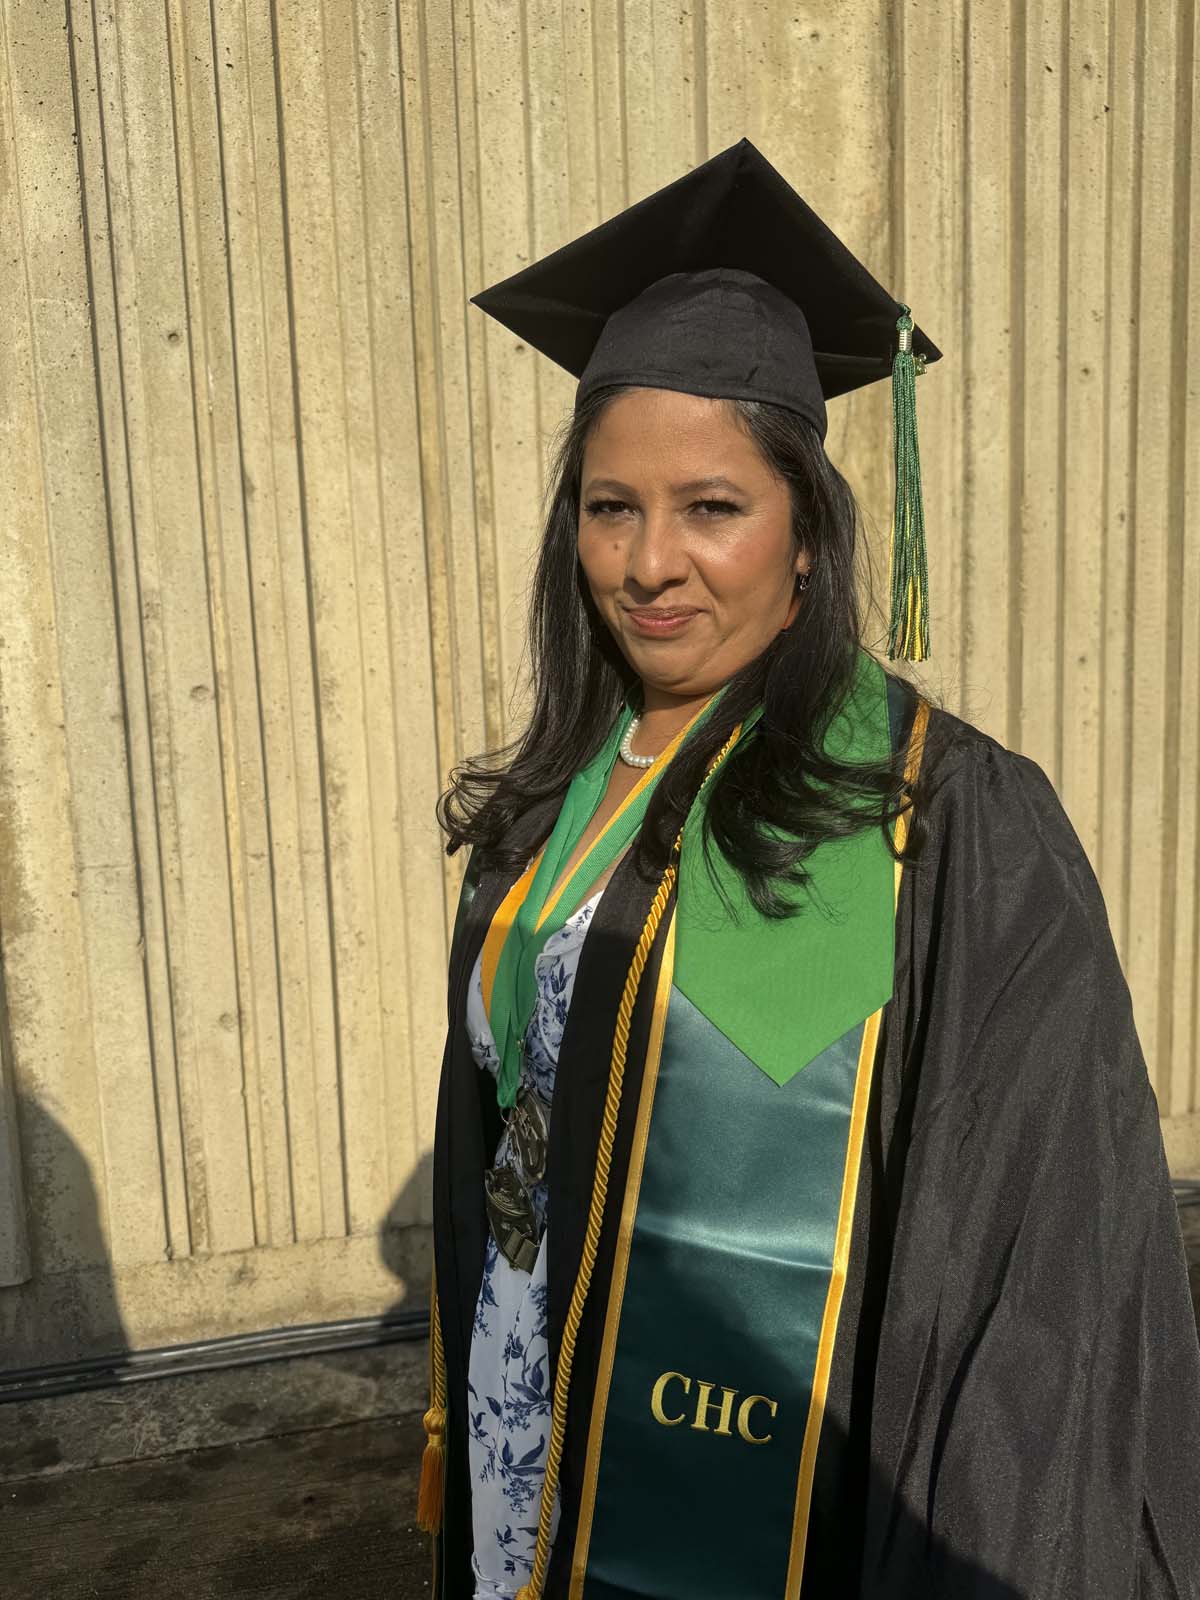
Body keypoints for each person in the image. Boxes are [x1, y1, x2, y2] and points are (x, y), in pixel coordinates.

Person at [416, 139, 1200, 1600]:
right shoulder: (553, 799)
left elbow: (1039, 1289)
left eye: (712, 506)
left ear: (808, 539)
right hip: (532, 1453)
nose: (650, 562)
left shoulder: (941, 821)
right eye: (610, 505)